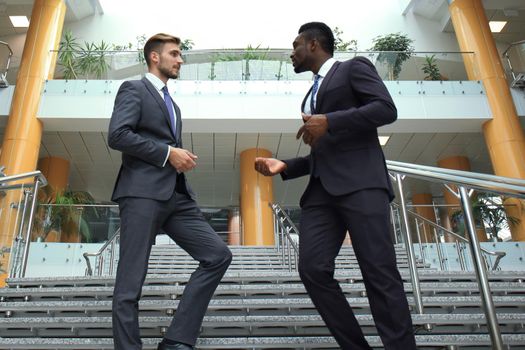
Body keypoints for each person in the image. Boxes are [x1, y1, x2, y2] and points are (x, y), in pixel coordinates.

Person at [254, 22, 417, 350]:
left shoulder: (352, 68)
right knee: (312, 269)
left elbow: (386, 109)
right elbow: (325, 151)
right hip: (320, 193)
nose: (292, 52)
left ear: (313, 45)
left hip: (362, 185)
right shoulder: (310, 93)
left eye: (296, 45)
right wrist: (287, 164)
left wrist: (331, 120)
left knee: (379, 274)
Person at [108, 33, 232, 350]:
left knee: (218, 255)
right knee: (130, 282)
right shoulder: (133, 89)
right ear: (154, 57)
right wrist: (168, 153)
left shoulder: (172, 104)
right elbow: (118, 135)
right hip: (141, 194)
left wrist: (177, 158)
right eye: (175, 54)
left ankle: (177, 340)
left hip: (177, 197)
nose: (180, 60)